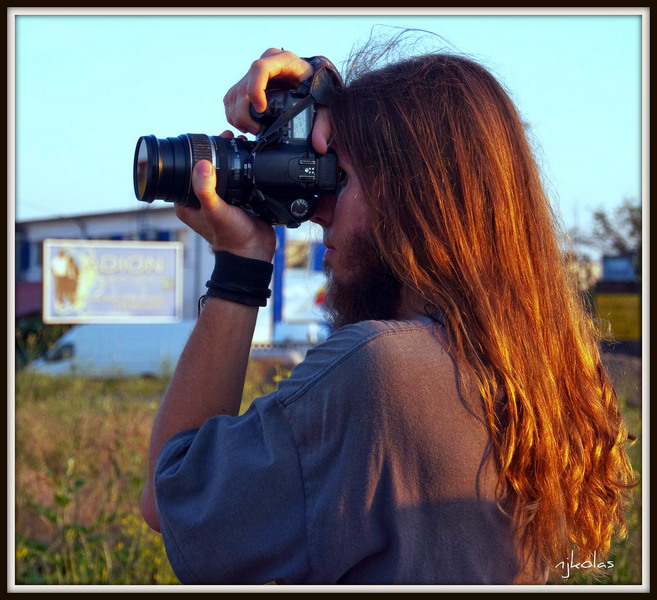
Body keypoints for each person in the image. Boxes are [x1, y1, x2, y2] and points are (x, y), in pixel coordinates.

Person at [140, 41, 636, 586]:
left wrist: (240, 266)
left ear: (414, 198)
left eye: (340, 178)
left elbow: (172, 500)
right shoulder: (538, 370)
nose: (318, 209)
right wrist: (325, 95)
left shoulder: (384, 371)